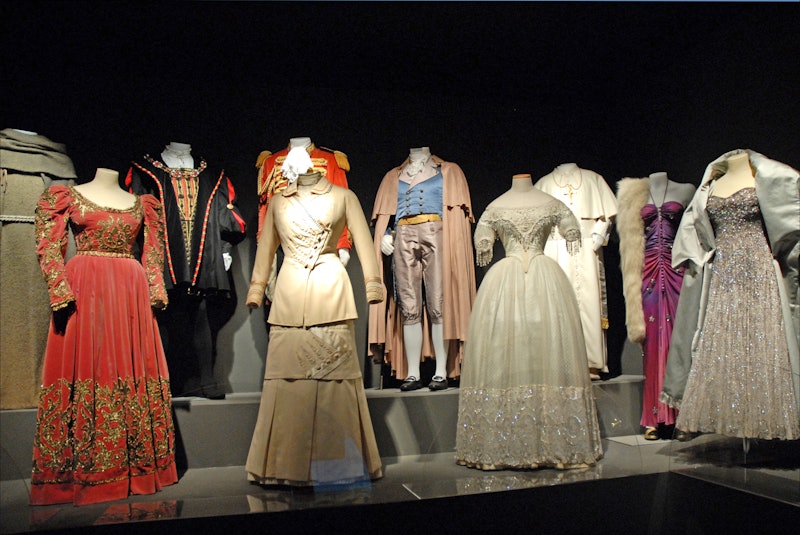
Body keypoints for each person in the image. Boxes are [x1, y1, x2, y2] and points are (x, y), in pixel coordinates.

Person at [30, 168, 177, 505]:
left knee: (130, 368)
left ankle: (137, 466)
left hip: (130, 290)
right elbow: (48, 245)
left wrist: (155, 288)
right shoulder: (66, 196)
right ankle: (78, 471)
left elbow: (153, 252)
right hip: (85, 287)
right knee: (89, 367)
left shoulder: (143, 204)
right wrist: (59, 288)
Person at [244, 148, 384, 486]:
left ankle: (340, 464)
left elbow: (364, 243)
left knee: (336, 380)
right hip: (290, 290)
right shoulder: (278, 202)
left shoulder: (344, 196)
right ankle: (283, 466)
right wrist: (257, 288)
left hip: (329, 288)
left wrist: (373, 284)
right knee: (286, 381)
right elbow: (266, 248)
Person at [456, 174, 603, 470]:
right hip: (524, 281)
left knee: (544, 350)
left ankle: (549, 439)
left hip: (532, 282)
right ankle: (509, 440)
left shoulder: (517, 206)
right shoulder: (507, 207)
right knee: (511, 352)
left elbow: (485, 241)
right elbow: (485, 239)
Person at [663, 150, 799, 441]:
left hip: (759, 267)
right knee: (723, 341)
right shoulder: (710, 183)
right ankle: (733, 418)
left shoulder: (768, 174)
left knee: (762, 338)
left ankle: (764, 419)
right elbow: (695, 228)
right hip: (723, 270)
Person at [127, 143, 246, 398]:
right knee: (162, 314)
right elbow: (135, 211)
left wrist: (224, 249)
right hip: (164, 249)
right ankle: (162, 381)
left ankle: (205, 379)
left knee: (201, 312)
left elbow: (224, 211)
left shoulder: (210, 173)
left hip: (202, 248)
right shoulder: (146, 169)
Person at [369, 148, 476, 390]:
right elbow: (389, 214)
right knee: (409, 305)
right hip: (403, 236)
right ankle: (413, 373)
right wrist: (386, 234)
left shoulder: (447, 171)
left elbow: (454, 213)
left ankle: (441, 372)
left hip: (436, 233)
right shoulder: (394, 176)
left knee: (439, 302)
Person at [616, 172, 694, 440]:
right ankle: (652, 418)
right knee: (651, 345)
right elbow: (629, 239)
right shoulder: (634, 194)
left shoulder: (686, 189)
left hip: (676, 269)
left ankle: (684, 417)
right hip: (647, 271)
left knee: (679, 343)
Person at [535, 163, 618, 379]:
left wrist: (599, 235)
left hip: (587, 249)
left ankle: (591, 363)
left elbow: (607, 215)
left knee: (589, 302)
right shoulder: (544, 184)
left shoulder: (593, 179)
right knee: (557, 305)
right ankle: (560, 364)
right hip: (555, 249)